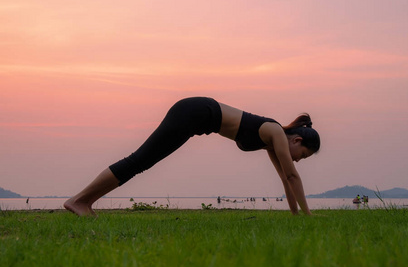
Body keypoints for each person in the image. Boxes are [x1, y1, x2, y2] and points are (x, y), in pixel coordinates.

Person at [64, 97, 320, 216]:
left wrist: (296, 215)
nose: (298, 160)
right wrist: (309, 217)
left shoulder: (273, 141)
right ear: (297, 140)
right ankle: (80, 200)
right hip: (193, 111)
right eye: (303, 155)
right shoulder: (275, 131)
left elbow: (286, 179)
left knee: (140, 162)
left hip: (194, 117)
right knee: (139, 161)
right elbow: (291, 175)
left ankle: (83, 201)